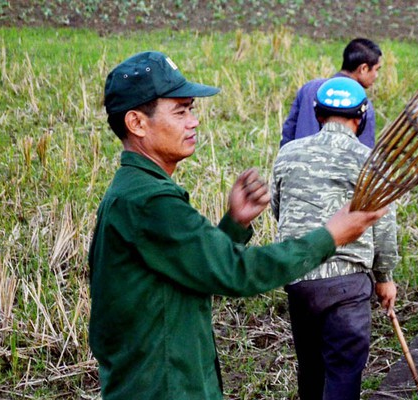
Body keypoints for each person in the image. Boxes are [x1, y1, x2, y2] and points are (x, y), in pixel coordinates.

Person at [88, 51, 388, 400]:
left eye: (192, 109)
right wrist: (330, 235)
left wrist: (233, 225)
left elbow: (195, 268)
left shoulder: (132, 192)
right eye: (181, 110)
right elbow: (237, 272)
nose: (193, 121)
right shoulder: (150, 202)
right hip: (165, 386)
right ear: (137, 123)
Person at [271, 77, 399, 400]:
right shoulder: (371, 163)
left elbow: (278, 209)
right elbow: (383, 225)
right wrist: (384, 278)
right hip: (347, 287)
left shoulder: (288, 155)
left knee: (311, 370)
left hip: (299, 281)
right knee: (343, 373)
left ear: (317, 115)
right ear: (362, 117)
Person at [280, 38, 383, 149]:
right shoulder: (361, 103)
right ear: (363, 68)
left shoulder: (308, 89)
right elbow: (364, 151)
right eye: (377, 69)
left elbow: (288, 134)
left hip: (298, 163)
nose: (376, 76)